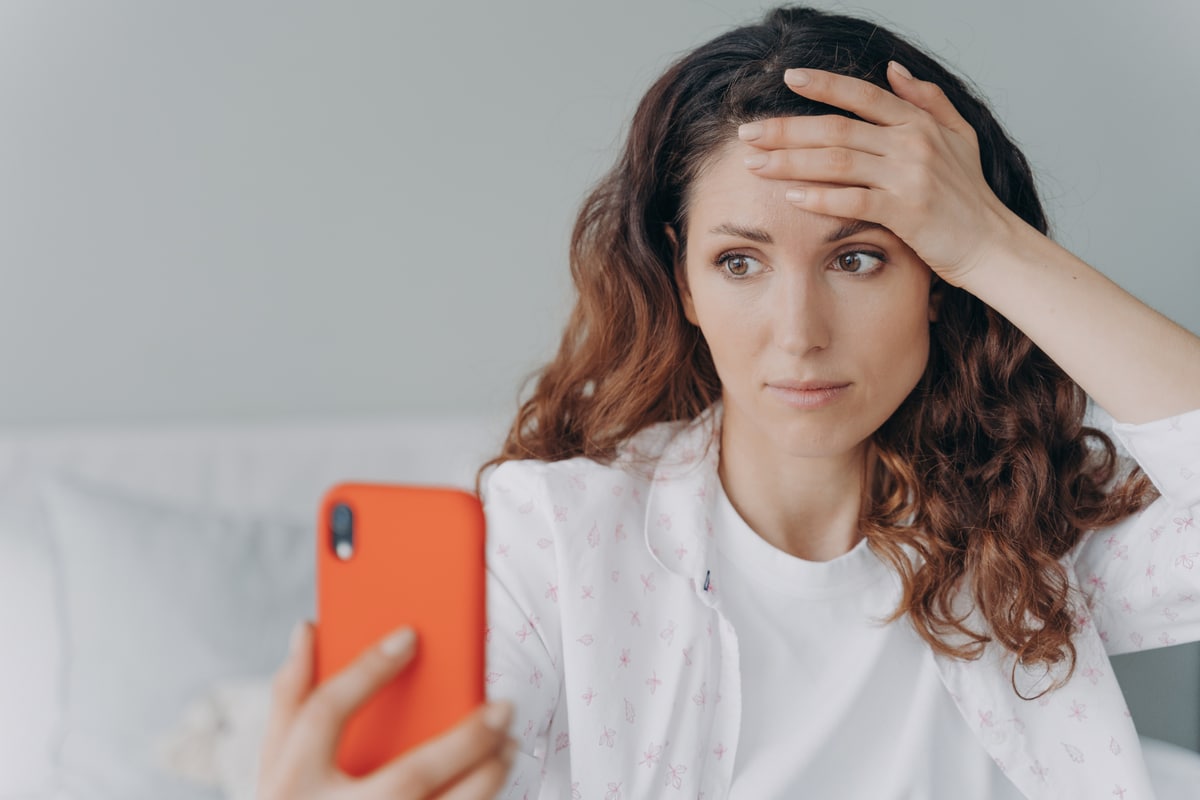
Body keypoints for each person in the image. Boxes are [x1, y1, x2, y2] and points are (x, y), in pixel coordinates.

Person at [256, 5, 1200, 799]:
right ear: (685, 281)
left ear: (937, 281)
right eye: (739, 261)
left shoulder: (1038, 517)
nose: (799, 332)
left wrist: (990, 243)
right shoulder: (556, 538)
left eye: (858, 257)